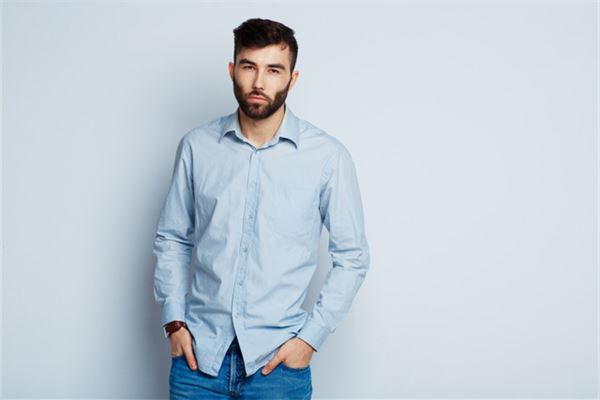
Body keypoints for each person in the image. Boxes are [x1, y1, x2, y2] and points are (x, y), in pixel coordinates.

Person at [153, 17, 371, 399]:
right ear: (232, 70)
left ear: (292, 79)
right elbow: (173, 238)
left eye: (273, 70)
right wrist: (174, 322)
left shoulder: (327, 157)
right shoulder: (196, 147)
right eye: (249, 66)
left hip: (278, 368)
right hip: (198, 361)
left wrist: (311, 338)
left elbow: (352, 257)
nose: (258, 82)